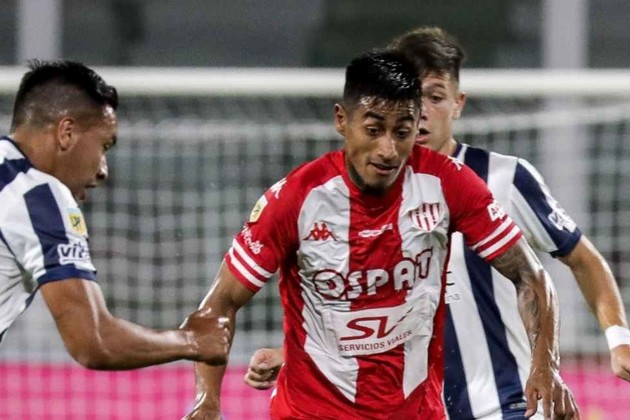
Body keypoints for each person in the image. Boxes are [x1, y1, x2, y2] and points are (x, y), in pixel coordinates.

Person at [246, 26, 630, 418]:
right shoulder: (362, 197)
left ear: (458, 103)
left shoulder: (503, 178)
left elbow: (582, 259)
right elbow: (370, 307)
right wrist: (296, 353)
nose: (423, 111)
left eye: (435, 97)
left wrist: (619, 339)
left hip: (508, 404)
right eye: (414, 98)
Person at [185, 50, 573, 420]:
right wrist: (207, 401)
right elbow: (219, 306)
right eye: (373, 130)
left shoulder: (448, 184)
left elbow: (531, 276)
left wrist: (546, 365)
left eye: (402, 132)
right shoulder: (296, 200)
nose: (388, 149)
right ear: (342, 120)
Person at [0, 60, 230, 369]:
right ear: (67, 133)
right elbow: (95, 341)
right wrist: (193, 340)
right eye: (104, 146)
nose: (103, 170)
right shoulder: (37, 195)